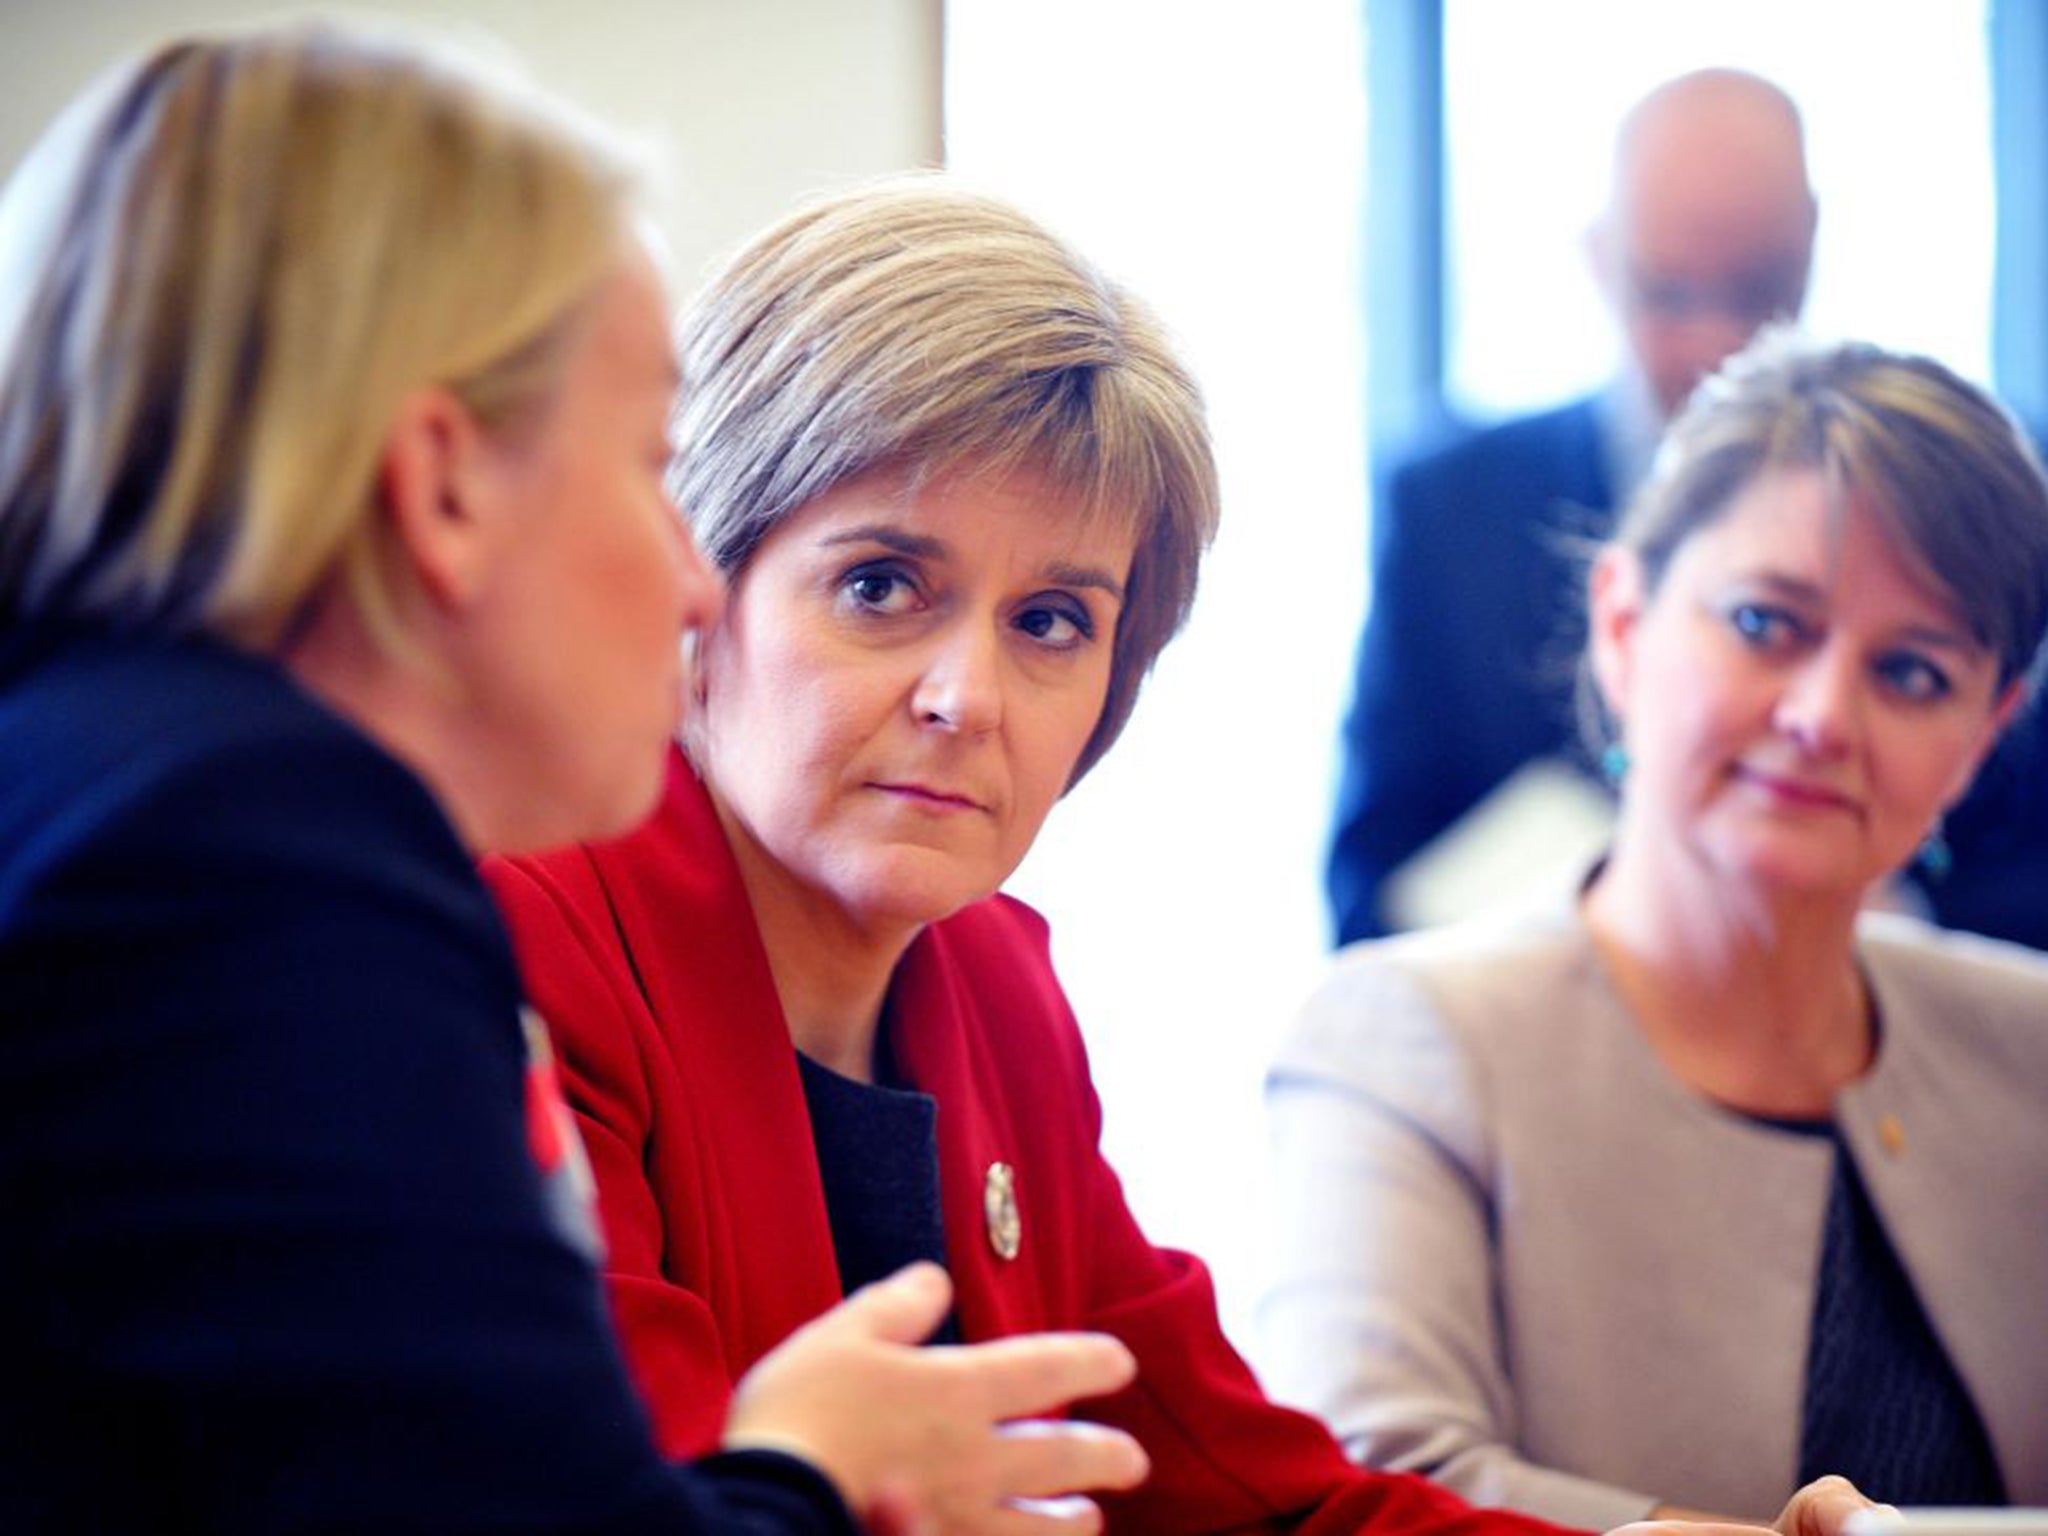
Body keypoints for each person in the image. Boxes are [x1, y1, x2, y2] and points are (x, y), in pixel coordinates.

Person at [483, 178, 1876, 1536]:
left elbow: (1258, 1500)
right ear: (698, 585)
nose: (965, 693)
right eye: (880, 586)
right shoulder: (520, 950)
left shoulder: (996, 988)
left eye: (1051, 622)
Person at [0, 24, 1153, 1533]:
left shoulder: (112, 778)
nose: (691, 578)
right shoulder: (253, 848)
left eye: (1053, 620)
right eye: (645, 457)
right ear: (443, 486)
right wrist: (810, 1469)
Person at [1264, 330, 2048, 1525]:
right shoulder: (1405, 1040)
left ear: (1982, 737)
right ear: (1621, 624)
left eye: (1910, 674)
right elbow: (1356, 1491)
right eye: (1762, 623)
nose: (1820, 716)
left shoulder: (2026, 1044)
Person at [1325, 68, 1816, 942]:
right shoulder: (1451, 507)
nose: (1716, 345)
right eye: (1668, 294)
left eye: (1753, 292)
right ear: (1600, 260)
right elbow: (1369, 877)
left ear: (1810, 251)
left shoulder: (1940, 519)